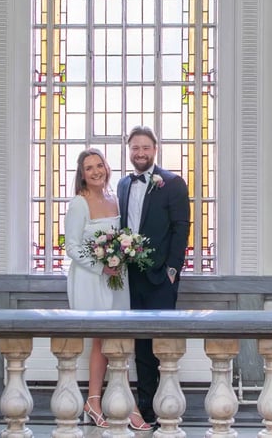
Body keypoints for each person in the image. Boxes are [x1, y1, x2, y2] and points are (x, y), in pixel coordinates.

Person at [64, 147, 151, 431]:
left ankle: (121, 401)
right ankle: (95, 400)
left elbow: (121, 237)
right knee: (101, 338)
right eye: (89, 168)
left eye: (99, 165)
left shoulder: (114, 198)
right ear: (82, 175)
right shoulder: (80, 203)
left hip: (117, 278)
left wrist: (121, 256)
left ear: (106, 168)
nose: (96, 171)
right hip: (91, 278)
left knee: (118, 339)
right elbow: (73, 247)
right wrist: (102, 266)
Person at [117, 126, 190, 425]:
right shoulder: (122, 184)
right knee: (139, 346)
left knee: (161, 345)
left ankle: (166, 405)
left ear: (155, 150)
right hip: (128, 278)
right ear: (129, 150)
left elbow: (181, 228)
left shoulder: (172, 183)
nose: (140, 153)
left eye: (145, 147)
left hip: (161, 277)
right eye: (135, 148)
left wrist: (172, 270)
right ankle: (145, 409)